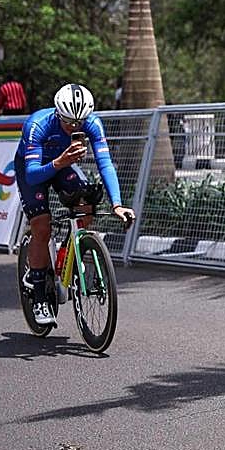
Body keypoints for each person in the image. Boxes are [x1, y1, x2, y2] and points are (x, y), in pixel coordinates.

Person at [15, 83, 136, 325]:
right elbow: (32, 175)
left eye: (80, 122)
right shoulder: (37, 125)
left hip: (62, 166)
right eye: (69, 122)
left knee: (86, 203)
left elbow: (105, 164)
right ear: (58, 113)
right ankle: (39, 296)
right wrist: (59, 162)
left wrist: (117, 204)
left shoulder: (93, 123)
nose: (75, 127)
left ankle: (68, 252)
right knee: (41, 227)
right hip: (35, 170)